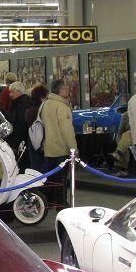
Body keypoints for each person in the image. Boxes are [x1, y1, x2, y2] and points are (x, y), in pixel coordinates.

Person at [41, 79, 77, 207]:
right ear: (60, 91)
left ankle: (50, 201)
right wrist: (73, 148)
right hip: (61, 147)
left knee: (51, 178)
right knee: (62, 178)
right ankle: (61, 202)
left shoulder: (45, 104)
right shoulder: (62, 106)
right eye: (66, 89)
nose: (68, 91)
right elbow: (67, 130)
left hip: (47, 147)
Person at [24, 84, 49, 171]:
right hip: (42, 143)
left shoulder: (29, 110)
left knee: (35, 169)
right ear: (42, 97)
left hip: (32, 142)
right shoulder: (43, 110)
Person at [5, 82, 31, 161]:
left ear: (19, 91)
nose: (10, 94)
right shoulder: (18, 103)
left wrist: (15, 145)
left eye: (12, 91)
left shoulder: (21, 104)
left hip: (20, 142)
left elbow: (20, 126)